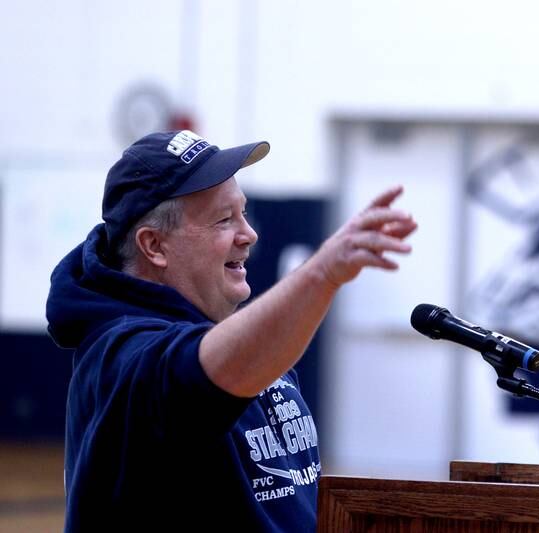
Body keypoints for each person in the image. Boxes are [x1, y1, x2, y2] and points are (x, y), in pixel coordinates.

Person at [45, 130, 417, 532]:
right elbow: (198, 372)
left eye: (243, 213)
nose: (249, 234)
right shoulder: (121, 359)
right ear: (154, 246)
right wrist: (322, 273)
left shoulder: (234, 337)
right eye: (224, 220)